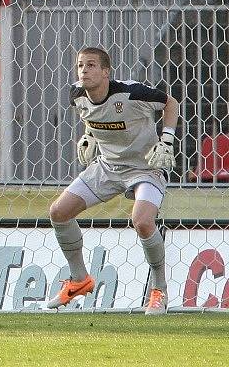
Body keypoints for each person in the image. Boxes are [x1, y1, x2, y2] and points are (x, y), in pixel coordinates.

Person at [48, 47, 179, 315]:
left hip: (145, 168)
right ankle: (79, 279)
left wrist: (166, 140)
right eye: (81, 65)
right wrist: (90, 136)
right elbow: (93, 117)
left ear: (106, 72)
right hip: (107, 168)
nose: (84, 70)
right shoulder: (76, 94)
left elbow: (171, 103)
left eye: (92, 65)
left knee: (142, 222)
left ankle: (159, 291)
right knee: (59, 212)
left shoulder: (132, 94)